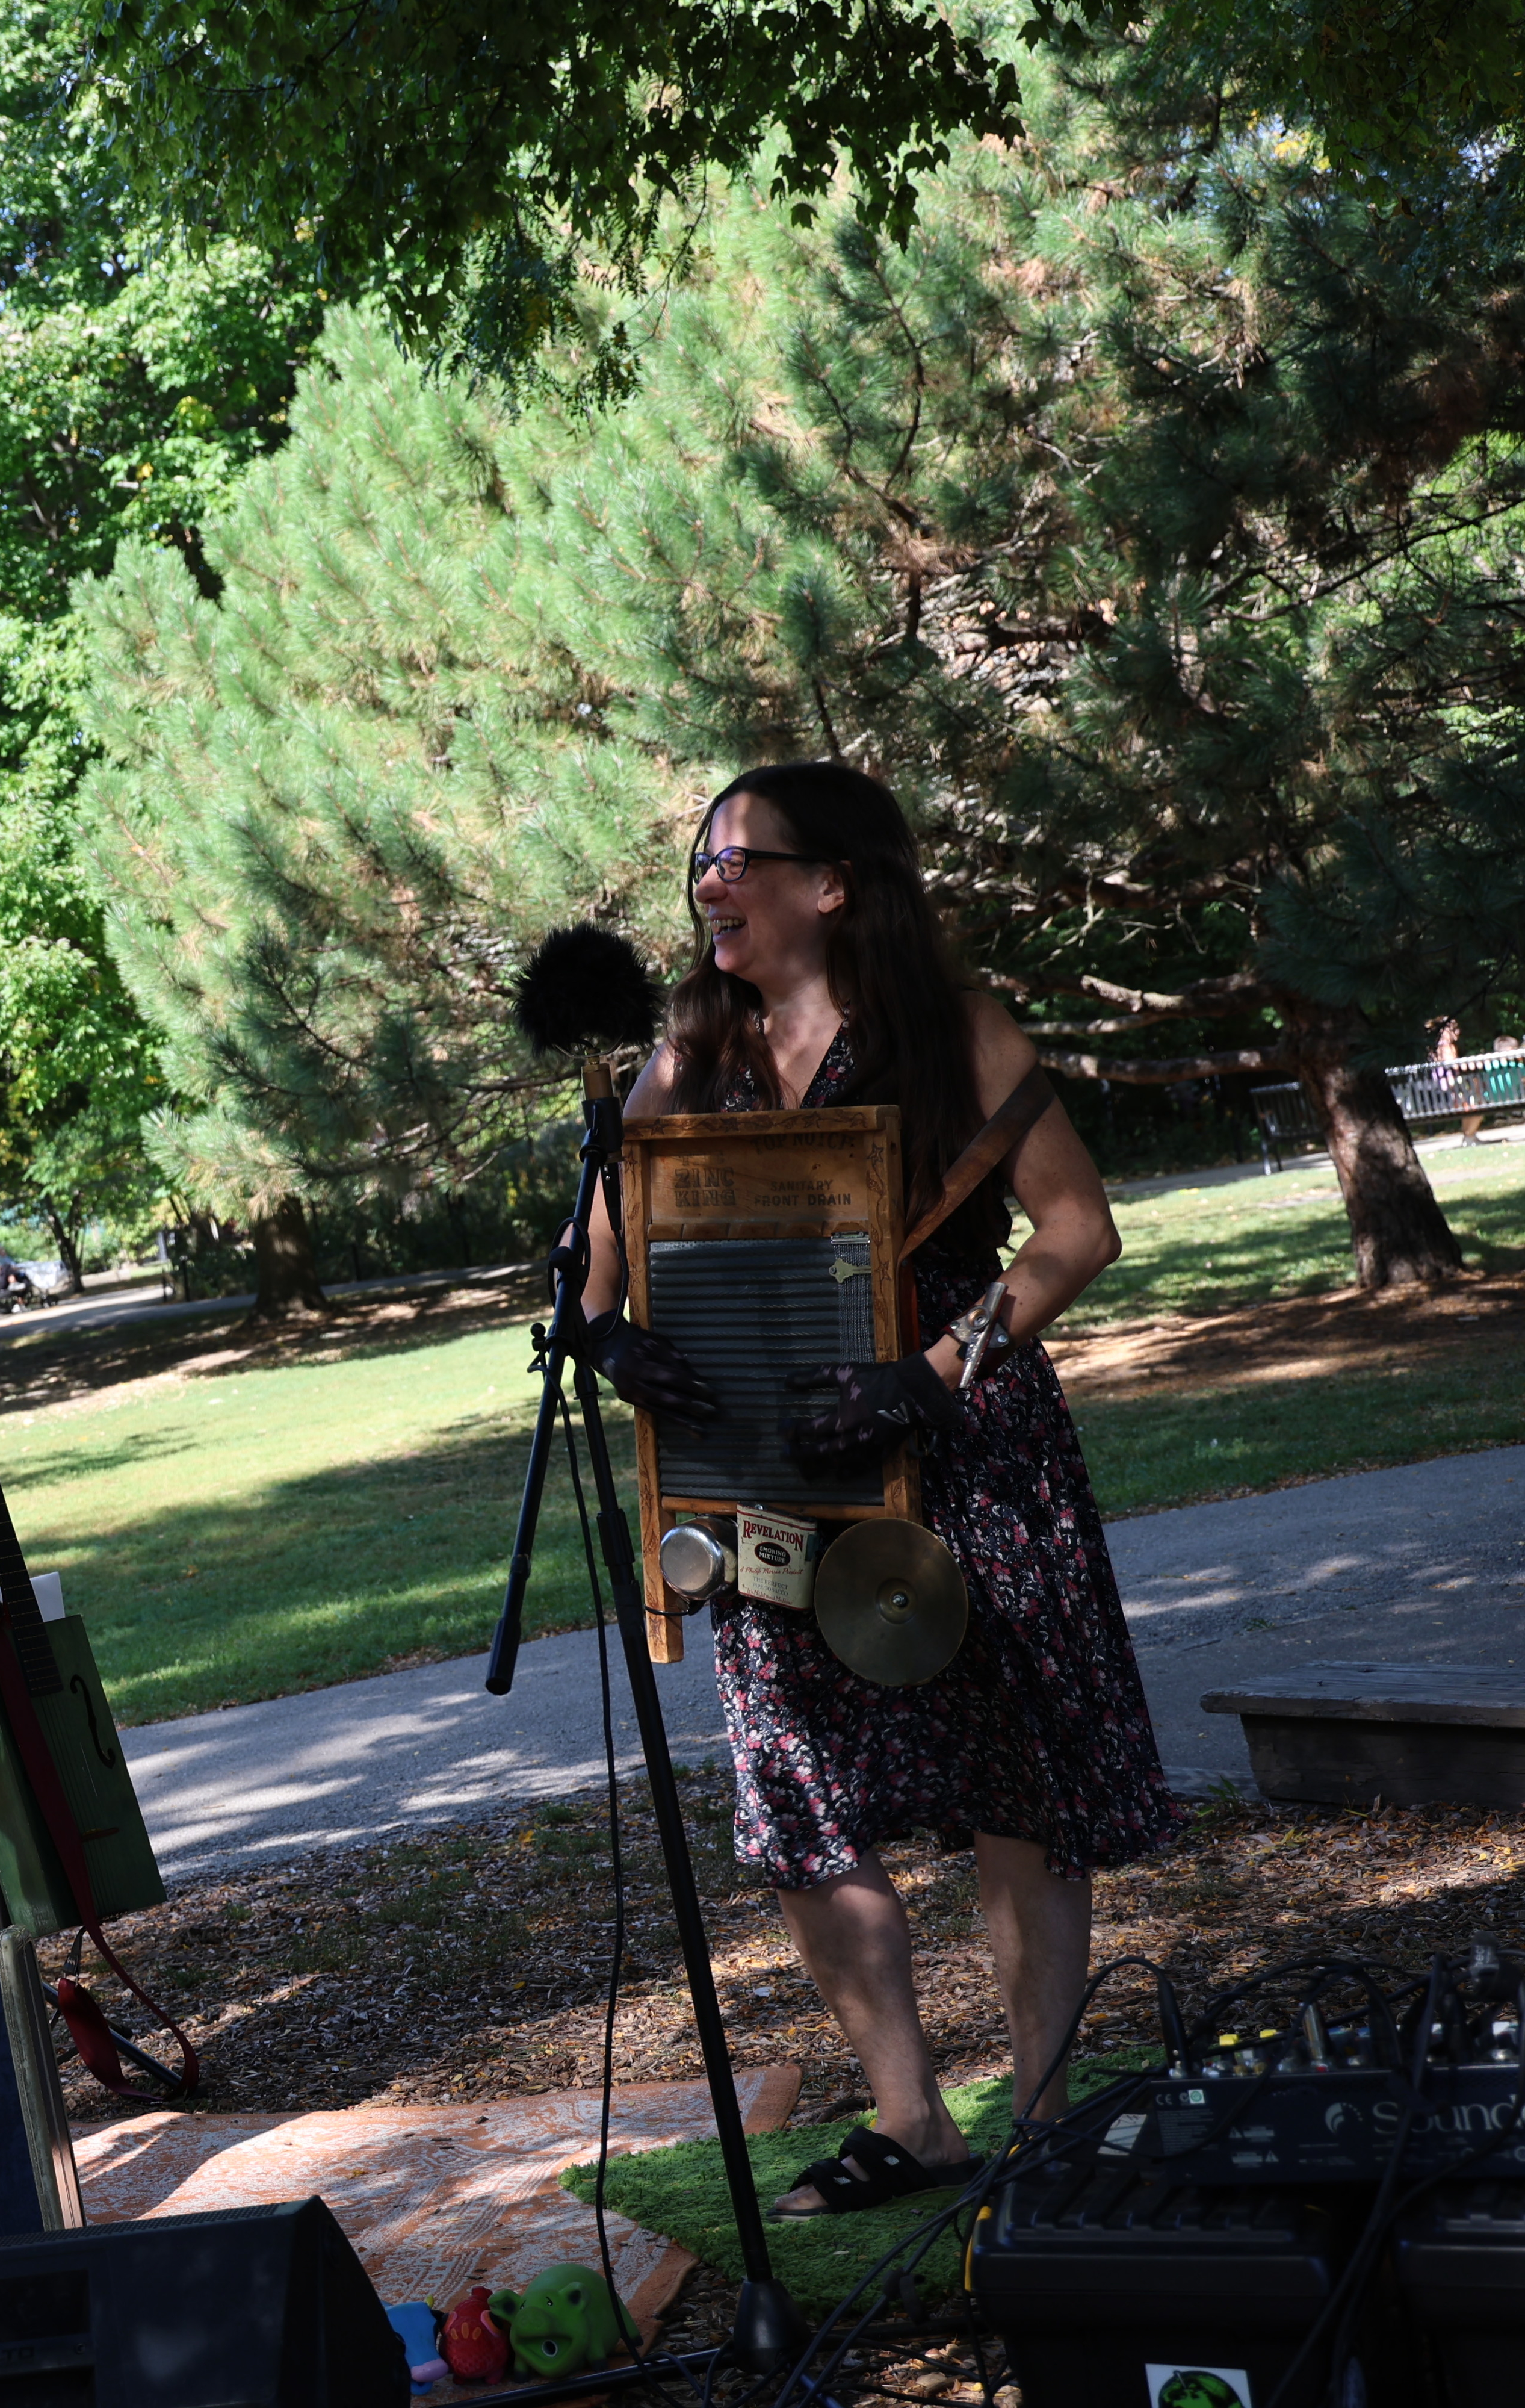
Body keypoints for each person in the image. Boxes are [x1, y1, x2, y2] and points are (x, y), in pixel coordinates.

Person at [575, 761, 1182, 2217]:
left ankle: (1037, 2119)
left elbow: (1078, 1224)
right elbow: (597, 1278)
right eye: (699, 864)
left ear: (832, 882)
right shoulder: (691, 1053)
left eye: (736, 857)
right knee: (803, 1797)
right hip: (775, 1487)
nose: (707, 883)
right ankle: (912, 2120)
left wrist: (932, 1371)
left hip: (969, 1451)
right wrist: (615, 1346)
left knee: (1017, 1785)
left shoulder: (949, 1031)